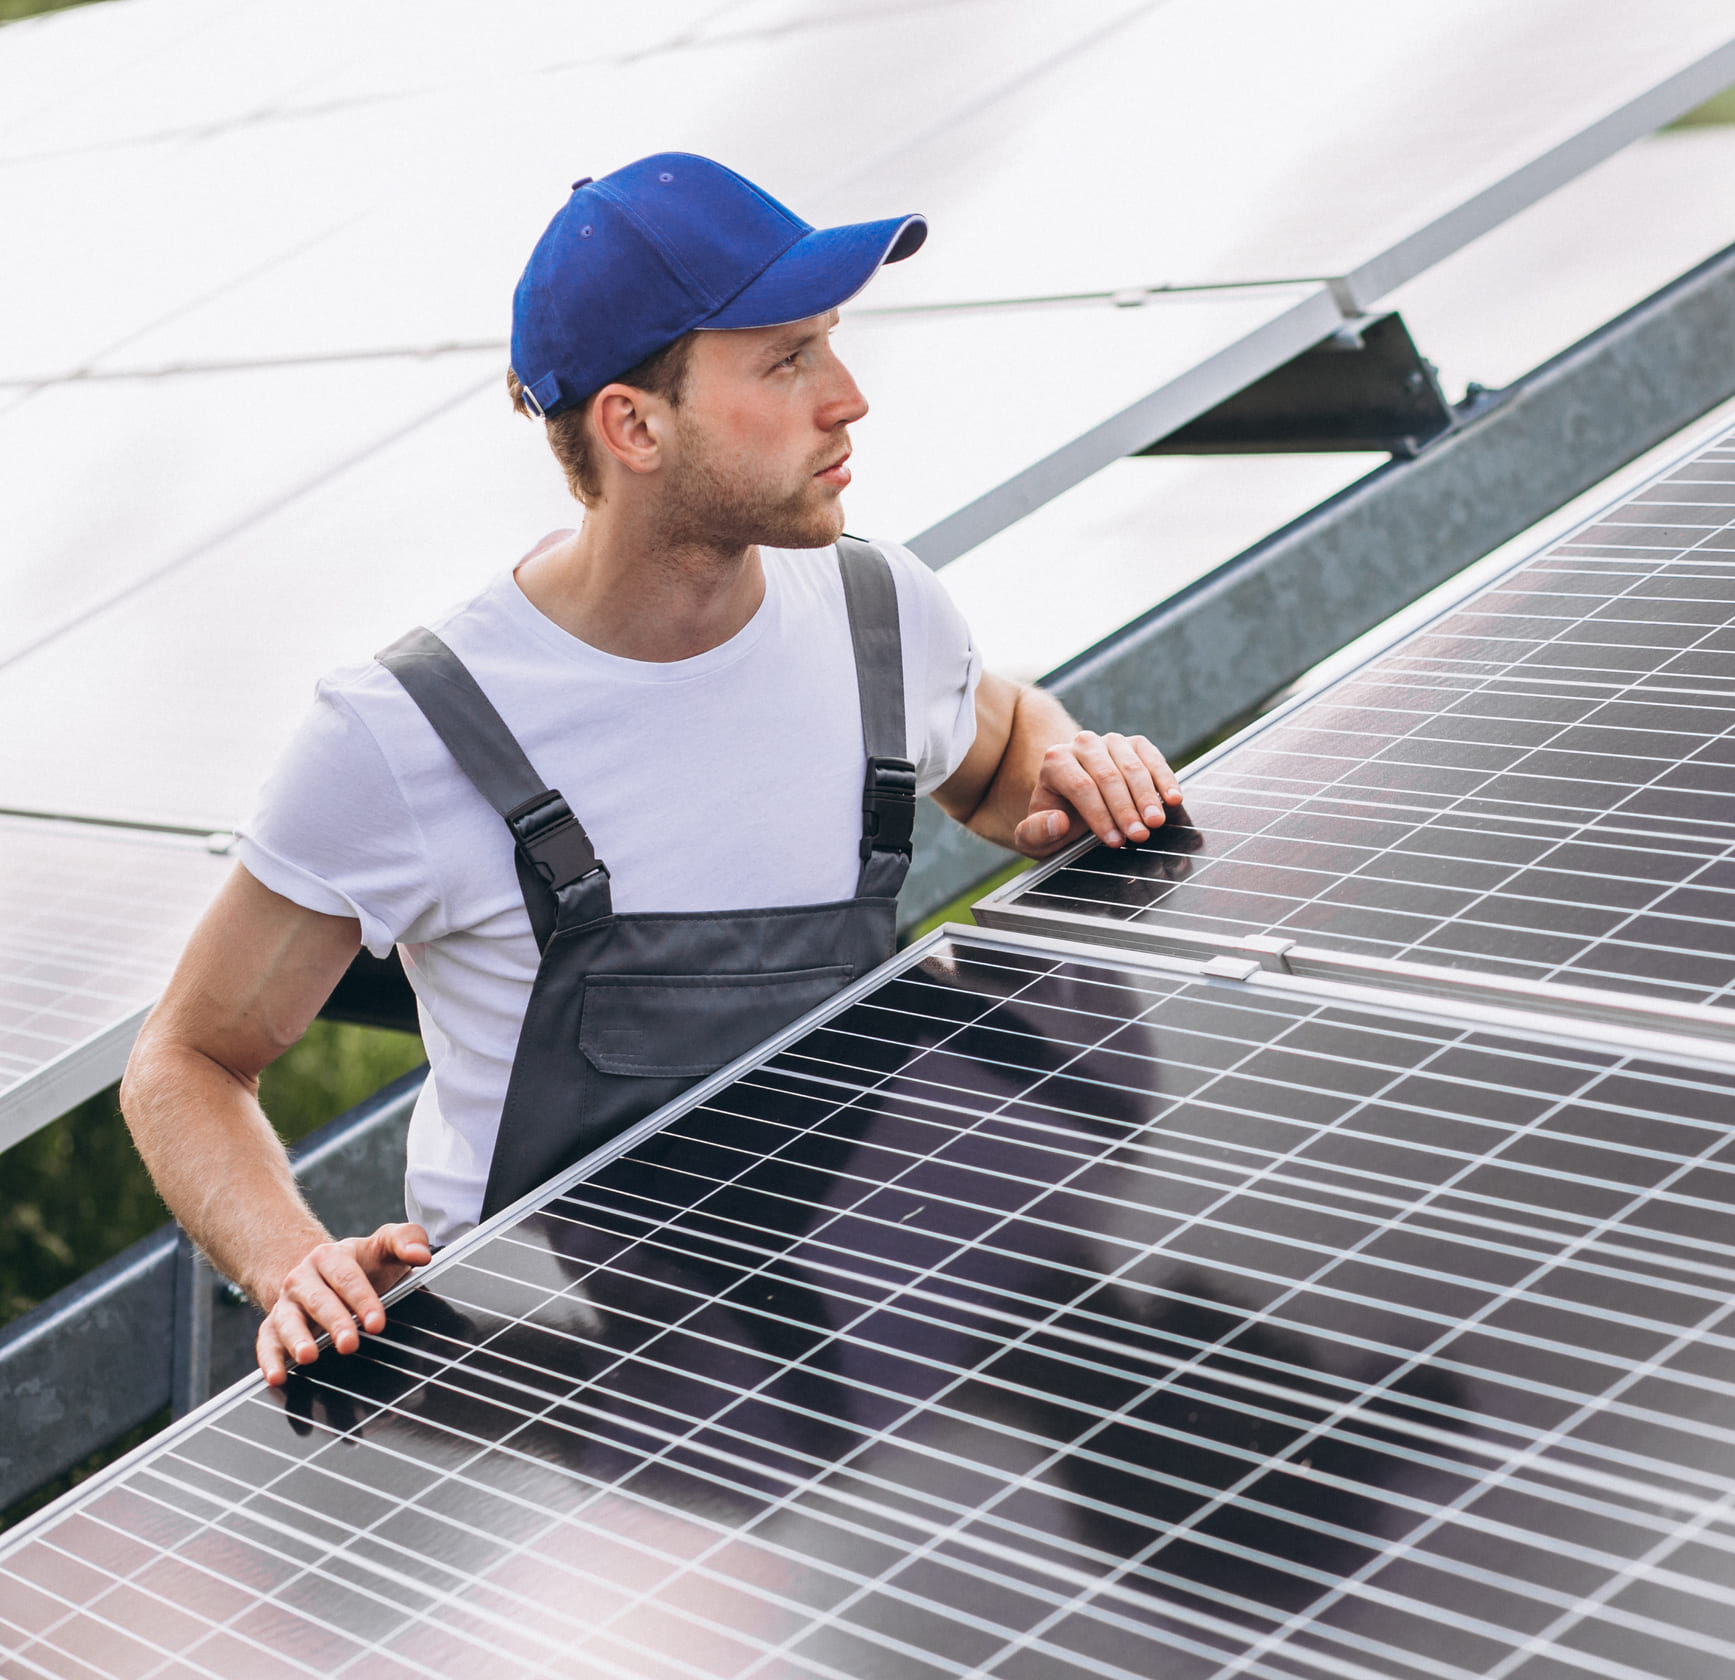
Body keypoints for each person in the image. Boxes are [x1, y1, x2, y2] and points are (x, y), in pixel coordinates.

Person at [118, 153, 1183, 1389]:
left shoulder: (879, 617)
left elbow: (1003, 754)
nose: (848, 399)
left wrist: (1077, 771)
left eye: (830, 344)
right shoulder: (406, 735)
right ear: (635, 423)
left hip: (852, 1372)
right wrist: (291, 1259)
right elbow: (185, 1060)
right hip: (566, 1438)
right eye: (786, 360)